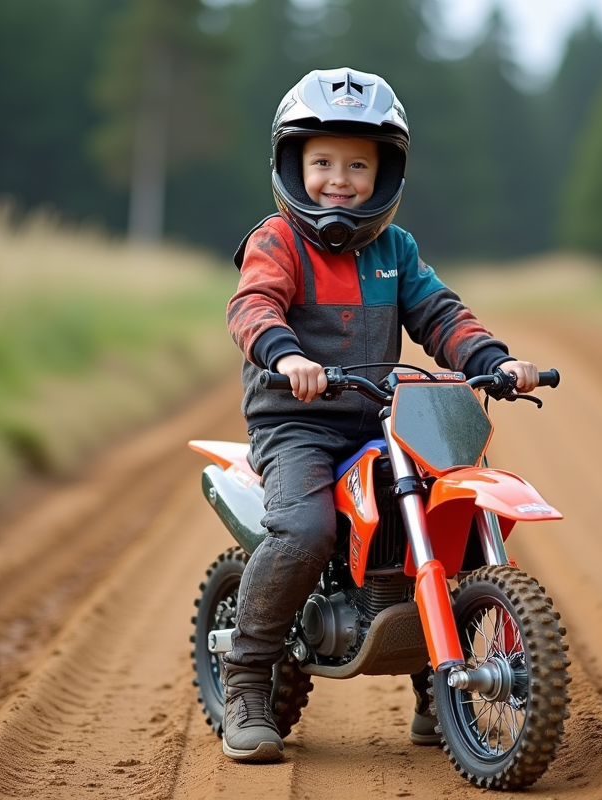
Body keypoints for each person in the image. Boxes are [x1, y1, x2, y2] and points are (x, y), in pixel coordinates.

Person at [221, 66, 542, 763]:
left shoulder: (396, 249)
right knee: (305, 530)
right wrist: (285, 355)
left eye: (358, 165)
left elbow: (439, 313)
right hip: (297, 422)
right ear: (293, 165)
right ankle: (246, 680)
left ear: (385, 173)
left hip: (380, 418)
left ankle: (439, 688)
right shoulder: (278, 240)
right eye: (323, 162)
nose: (339, 180)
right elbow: (252, 306)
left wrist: (493, 359)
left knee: (443, 518)